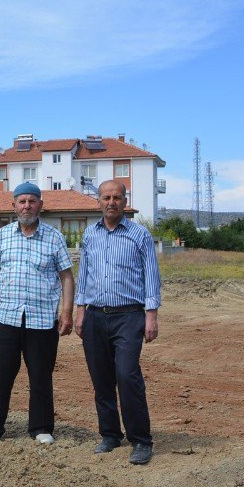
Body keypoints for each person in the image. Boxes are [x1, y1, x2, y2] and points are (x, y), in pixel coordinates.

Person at [0, 183, 74, 444]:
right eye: (22, 201)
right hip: (6, 318)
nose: (27, 206)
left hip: (42, 321)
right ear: (14, 205)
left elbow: (66, 277)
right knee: (0, 374)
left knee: (41, 375)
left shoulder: (54, 237)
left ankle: (41, 428)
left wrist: (66, 312)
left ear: (40, 205)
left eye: (32, 201)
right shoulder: (2, 236)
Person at [74, 180, 161, 465]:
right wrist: (80, 310)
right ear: (98, 201)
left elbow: (151, 275)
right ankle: (110, 435)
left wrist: (151, 315)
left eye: (116, 197)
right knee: (101, 378)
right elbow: (84, 274)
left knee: (127, 375)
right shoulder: (90, 234)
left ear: (125, 201)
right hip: (95, 315)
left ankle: (141, 440)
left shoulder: (140, 235)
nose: (111, 202)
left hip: (129, 316)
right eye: (106, 197)